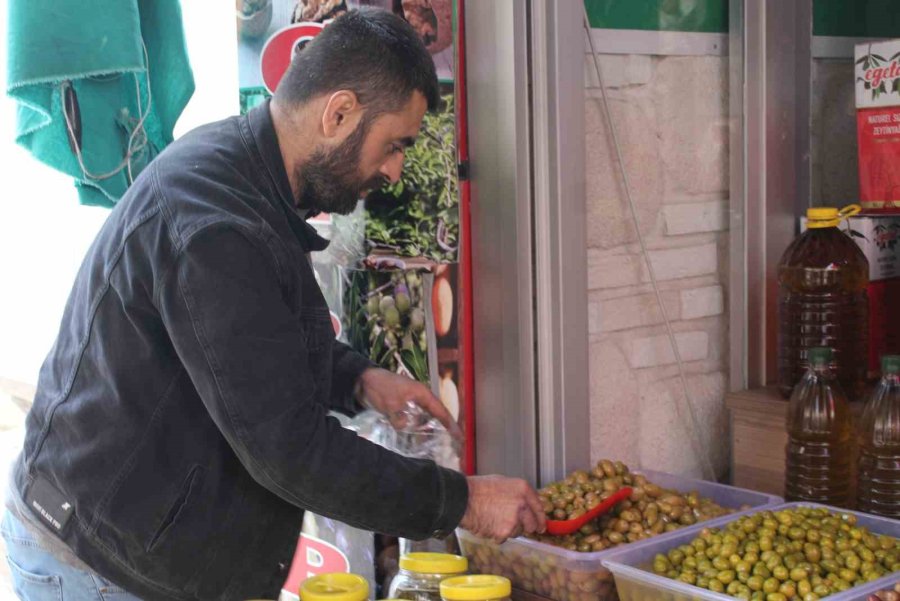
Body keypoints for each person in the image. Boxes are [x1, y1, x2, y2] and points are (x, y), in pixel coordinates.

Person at [3, 8, 545, 601]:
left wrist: (360, 379)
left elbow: (251, 342)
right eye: (394, 146)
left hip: (136, 543)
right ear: (338, 113)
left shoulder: (246, 176)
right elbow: (292, 453)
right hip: (98, 564)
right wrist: (463, 501)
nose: (394, 170)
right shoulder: (215, 225)